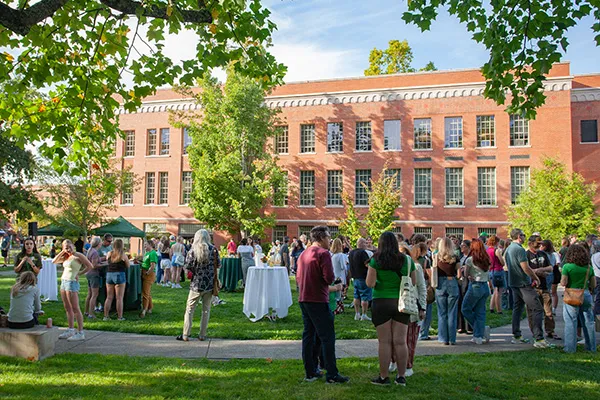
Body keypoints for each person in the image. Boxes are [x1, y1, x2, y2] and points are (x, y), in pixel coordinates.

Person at [297, 226, 348, 384]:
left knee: (309, 335)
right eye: (328, 237)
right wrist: (336, 285)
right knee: (327, 337)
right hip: (318, 299)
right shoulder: (323, 254)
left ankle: (310, 371)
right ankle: (332, 374)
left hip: (304, 298)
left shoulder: (303, 254)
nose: (330, 240)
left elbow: (298, 278)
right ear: (320, 238)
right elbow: (328, 278)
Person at [366, 231, 416, 386]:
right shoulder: (407, 260)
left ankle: (383, 376)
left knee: (384, 342)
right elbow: (413, 281)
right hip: (401, 301)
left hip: (381, 301)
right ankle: (401, 376)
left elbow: (370, 283)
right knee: (401, 342)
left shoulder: (376, 260)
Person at [505, 229, 550, 348]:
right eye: (523, 235)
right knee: (537, 308)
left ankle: (517, 336)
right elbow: (525, 267)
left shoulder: (509, 248)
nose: (525, 237)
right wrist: (536, 278)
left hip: (513, 283)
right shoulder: (519, 249)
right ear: (519, 236)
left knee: (518, 308)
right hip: (523, 283)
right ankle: (539, 339)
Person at [177, 229, 220, 341]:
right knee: (206, 310)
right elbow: (218, 265)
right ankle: (202, 335)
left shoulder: (193, 250)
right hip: (209, 284)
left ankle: (186, 334)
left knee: (190, 309)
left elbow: (187, 266)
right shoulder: (214, 250)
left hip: (196, 284)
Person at [53, 239, 93, 341]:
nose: (68, 249)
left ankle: (80, 332)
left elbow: (90, 266)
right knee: (67, 307)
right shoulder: (66, 256)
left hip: (71, 283)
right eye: (66, 247)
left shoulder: (78, 255)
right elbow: (54, 261)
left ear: (73, 246)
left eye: (69, 246)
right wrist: (63, 251)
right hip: (64, 282)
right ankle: (70, 329)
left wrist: (79, 274)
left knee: (75, 308)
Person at [561, 243, 597, 353]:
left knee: (571, 322)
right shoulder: (588, 268)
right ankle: (591, 348)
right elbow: (594, 284)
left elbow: (563, 282)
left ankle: (570, 349)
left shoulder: (567, 267)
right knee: (589, 322)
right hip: (585, 293)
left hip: (571, 294)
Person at [526, 236, 559, 340]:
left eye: (540, 243)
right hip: (532, 287)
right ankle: (535, 332)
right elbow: (525, 268)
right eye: (537, 243)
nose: (539, 245)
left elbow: (550, 268)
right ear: (530, 243)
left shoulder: (543, 254)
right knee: (533, 311)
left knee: (548, 311)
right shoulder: (526, 254)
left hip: (544, 286)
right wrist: (537, 272)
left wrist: (540, 269)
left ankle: (550, 331)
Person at [461, 239, 492, 345]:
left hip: (475, 286)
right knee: (480, 312)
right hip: (485, 286)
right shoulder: (487, 258)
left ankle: (480, 330)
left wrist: (468, 274)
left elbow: (465, 274)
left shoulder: (470, 260)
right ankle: (478, 335)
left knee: (465, 308)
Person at [403, 242, 427, 377]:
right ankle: (395, 361)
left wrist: (422, 308)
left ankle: (408, 365)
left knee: (410, 339)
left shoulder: (416, 267)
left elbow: (422, 289)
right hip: (398, 308)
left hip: (412, 307)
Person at [434, 237, 460, 345]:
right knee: (452, 312)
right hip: (452, 282)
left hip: (440, 283)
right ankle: (452, 339)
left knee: (442, 312)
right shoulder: (455, 257)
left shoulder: (436, 256)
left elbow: (434, 269)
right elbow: (459, 274)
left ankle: (443, 338)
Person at [103, 239, 130, 321]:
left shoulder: (109, 253)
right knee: (119, 298)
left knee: (109, 297)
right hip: (119, 274)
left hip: (109, 275)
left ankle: (106, 316)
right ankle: (120, 317)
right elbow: (128, 265)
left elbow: (107, 262)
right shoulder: (123, 255)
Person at [349, 238, 372, 321]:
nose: (366, 245)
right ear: (362, 244)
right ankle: (364, 314)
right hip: (363, 277)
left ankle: (357, 314)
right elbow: (367, 264)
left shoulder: (351, 252)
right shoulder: (363, 252)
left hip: (355, 277)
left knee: (356, 296)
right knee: (365, 297)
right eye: (365, 243)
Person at [540, 239, 561, 315]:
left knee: (546, 292)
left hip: (549, 274)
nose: (540, 247)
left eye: (541, 246)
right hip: (551, 273)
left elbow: (557, 264)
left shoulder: (545, 254)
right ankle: (548, 309)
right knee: (548, 292)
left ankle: (548, 309)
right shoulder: (552, 254)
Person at [84, 236, 102, 319]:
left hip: (88, 273)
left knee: (89, 294)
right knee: (94, 295)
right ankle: (91, 314)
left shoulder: (90, 250)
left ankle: (86, 311)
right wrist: (106, 264)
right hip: (94, 274)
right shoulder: (95, 252)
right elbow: (94, 265)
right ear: (98, 243)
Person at [457, 239, 472, 335]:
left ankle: (469, 326)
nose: (462, 248)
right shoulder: (461, 257)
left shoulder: (471, 258)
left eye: (464, 246)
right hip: (460, 282)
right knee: (460, 303)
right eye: (461, 246)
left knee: (468, 304)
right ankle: (461, 326)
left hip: (468, 282)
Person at [487, 236, 505, 314]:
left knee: (494, 290)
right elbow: (502, 262)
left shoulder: (487, 250)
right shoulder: (496, 250)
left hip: (491, 271)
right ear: (496, 242)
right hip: (498, 270)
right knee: (499, 291)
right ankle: (499, 309)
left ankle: (491, 307)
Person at [140, 240, 158, 318]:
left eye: (146, 245)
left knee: (145, 294)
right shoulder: (147, 253)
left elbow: (152, 265)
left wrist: (147, 273)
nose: (144, 246)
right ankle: (150, 308)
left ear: (150, 245)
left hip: (149, 275)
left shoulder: (153, 253)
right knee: (147, 292)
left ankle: (144, 310)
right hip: (144, 273)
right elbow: (145, 263)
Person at [591, 241, 600, 324]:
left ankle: (595, 314)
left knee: (597, 296)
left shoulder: (593, 256)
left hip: (596, 276)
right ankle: (596, 314)